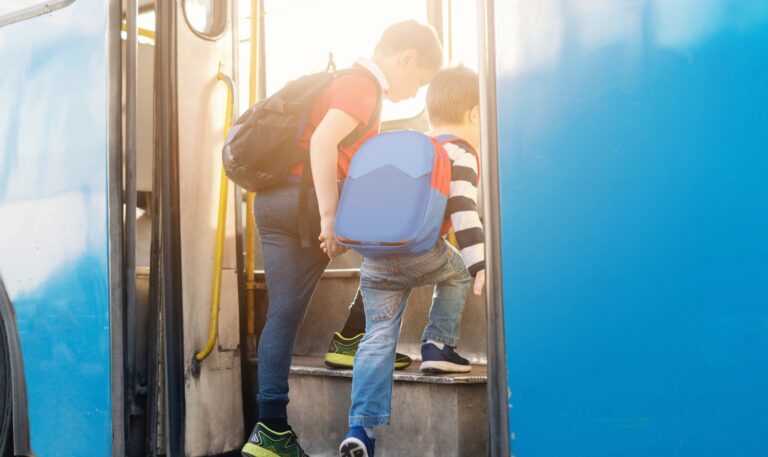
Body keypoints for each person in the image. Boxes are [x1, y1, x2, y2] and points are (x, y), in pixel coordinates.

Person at [241, 20, 443, 457]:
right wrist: (330, 218)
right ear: (406, 58)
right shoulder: (362, 86)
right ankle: (352, 339)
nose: (415, 92)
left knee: (283, 314)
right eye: (420, 80)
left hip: (271, 200)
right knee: (396, 247)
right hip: (307, 203)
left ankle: (270, 430)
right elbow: (323, 143)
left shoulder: (337, 81)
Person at [337, 66, 485, 457]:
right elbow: (464, 209)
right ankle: (438, 344)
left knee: (376, 337)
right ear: (474, 114)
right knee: (455, 273)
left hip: (375, 260)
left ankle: (360, 430)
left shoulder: (416, 143)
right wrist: (478, 262)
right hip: (421, 253)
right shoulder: (461, 151)